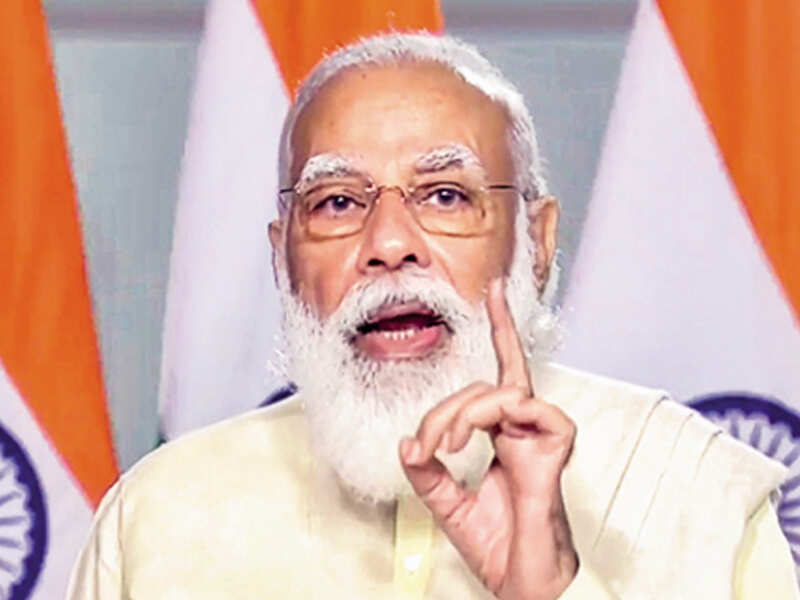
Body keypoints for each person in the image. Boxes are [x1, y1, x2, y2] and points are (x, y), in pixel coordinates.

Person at [68, 33, 798, 599]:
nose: (389, 245)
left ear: (537, 242)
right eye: (337, 203)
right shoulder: (158, 516)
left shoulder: (695, 488)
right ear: (282, 257)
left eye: (446, 195)